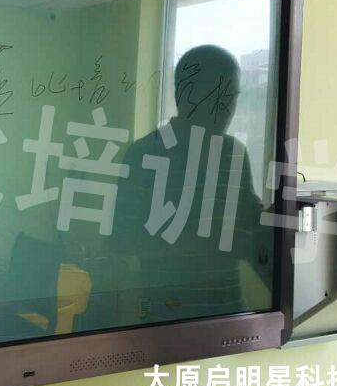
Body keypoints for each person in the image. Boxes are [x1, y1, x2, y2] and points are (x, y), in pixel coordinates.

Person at [110, 45, 270, 323]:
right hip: (167, 321)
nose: (228, 109)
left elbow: (247, 223)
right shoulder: (145, 154)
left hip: (229, 318)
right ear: (187, 95)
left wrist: (270, 223)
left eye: (232, 97)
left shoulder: (234, 153)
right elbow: (122, 241)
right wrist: (212, 242)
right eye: (218, 97)